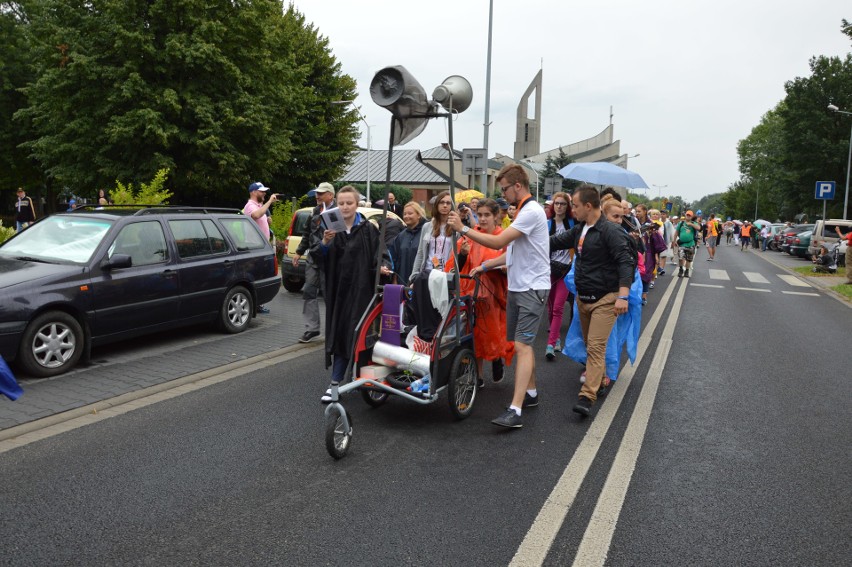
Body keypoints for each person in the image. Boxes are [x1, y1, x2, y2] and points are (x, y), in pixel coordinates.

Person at [447, 164, 550, 429]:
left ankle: (515, 410)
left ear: (518, 186)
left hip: (531, 288)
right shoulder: (523, 213)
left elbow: (496, 241)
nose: (503, 194)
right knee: (519, 343)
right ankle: (532, 393)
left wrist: (464, 228)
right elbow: (512, 253)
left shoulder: (531, 212)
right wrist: (486, 266)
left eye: (504, 188)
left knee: (522, 346)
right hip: (519, 286)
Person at [551, 185, 634, 417]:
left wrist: (623, 295)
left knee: (596, 347)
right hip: (583, 298)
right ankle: (601, 380)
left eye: (575, 206)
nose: (572, 210)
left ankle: (587, 396)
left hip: (606, 299)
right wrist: (524, 239)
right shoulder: (580, 229)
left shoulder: (611, 231)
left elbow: (625, 263)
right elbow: (554, 242)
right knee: (590, 346)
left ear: (588, 206)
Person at [318, 186, 390, 401]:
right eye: (341, 203)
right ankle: (335, 382)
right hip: (339, 292)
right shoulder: (332, 230)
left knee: (362, 334)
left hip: (362, 291)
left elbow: (381, 253)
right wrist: (325, 243)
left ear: (356, 204)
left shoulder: (368, 229)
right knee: (340, 334)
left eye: (349, 203)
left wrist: (382, 265)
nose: (345, 207)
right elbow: (319, 257)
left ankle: (363, 377)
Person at [445, 198, 513, 386]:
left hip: (496, 294)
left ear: (496, 216)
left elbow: (513, 262)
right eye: (480, 215)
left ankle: (497, 358)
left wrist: (503, 268)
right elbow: (453, 266)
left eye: (487, 215)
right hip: (472, 294)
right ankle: (478, 376)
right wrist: (464, 255)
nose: (482, 219)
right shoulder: (470, 236)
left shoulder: (504, 237)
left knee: (494, 333)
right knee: (474, 336)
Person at [293, 182, 336, 342]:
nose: (317, 196)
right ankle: (312, 329)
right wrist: (298, 252)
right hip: (313, 259)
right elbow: (307, 234)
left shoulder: (339, 212)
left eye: (321, 193)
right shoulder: (315, 212)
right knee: (308, 291)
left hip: (330, 261)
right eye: (317, 193)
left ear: (331, 195)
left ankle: (333, 329)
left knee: (329, 295)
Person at [544, 192, 575, 360]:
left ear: (567, 206)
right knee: (550, 308)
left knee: (558, 307)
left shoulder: (572, 223)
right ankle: (555, 338)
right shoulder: (547, 224)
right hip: (548, 271)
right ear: (552, 205)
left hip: (566, 271)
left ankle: (550, 344)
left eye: (563, 204)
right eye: (557, 203)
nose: (559, 206)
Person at [244, 181, 278, 314]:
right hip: (254, 248)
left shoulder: (258, 205)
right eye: (261, 191)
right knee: (256, 277)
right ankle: (255, 305)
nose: (264, 193)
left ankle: (258, 304)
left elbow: (260, 217)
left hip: (262, 247)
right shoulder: (249, 205)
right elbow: (256, 215)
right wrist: (269, 202)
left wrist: (267, 221)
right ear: (253, 192)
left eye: (265, 191)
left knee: (261, 277)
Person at [410, 191, 454, 282]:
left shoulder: (456, 228)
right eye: (442, 202)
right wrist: (414, 277)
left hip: (446, 275)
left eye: (448, 203)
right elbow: (420, 252)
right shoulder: (427, 226)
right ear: (437, 205)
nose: (445, 205)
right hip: (427, 273)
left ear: (452, 206)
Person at [388, 201, 427, 285]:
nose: (406, 216)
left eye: (410, 213)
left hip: (421, 281)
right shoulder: (401, 236)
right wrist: (394, 280)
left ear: (419, 215)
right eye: (405, 214)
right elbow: (395, 259)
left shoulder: (426, 233)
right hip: (403, 282)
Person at [675, 211, 700, 278]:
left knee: (688, 259)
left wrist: (691, 224)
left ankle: (687, 271)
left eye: (689, 215)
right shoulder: (681, 223)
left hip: (691, 244)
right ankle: (680, 269)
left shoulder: (693, 223)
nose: (688, 216)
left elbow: (698, 228)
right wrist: (674, 241)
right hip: (682, 244)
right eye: (687, 215)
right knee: (680, 258)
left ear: (691, 217)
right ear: (685, 215)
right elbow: (676, 232)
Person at [658, 210, 675, 275]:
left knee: (664, 255)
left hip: (666, 241)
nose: (662, 215)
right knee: (658, 255)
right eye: (661, 214)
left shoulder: (669, 223)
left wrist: (673, 241)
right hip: (658, 240)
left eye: (664, 214)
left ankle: (661, 268)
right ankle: (657, 267)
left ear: (666, 215)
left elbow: (672, 232)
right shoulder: (658, 222)